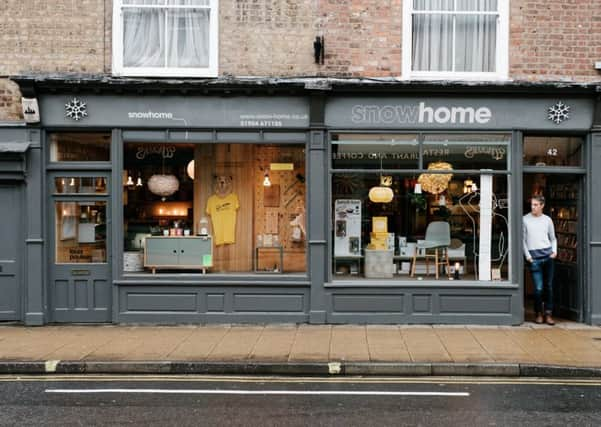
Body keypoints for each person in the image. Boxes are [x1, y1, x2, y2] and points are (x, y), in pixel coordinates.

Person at [523, 195, 557, 325]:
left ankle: (548, 314)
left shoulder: (547, 220)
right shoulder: (525, 219)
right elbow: (523, 240)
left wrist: (554, 251)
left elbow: (553, 238)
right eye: (532, 204)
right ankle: (538, 313)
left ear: (542, 205)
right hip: (534, 259)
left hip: (548, 256)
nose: (533, 207)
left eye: (536, 205)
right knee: (538, 288)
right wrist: (528, 257)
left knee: (548, 287)